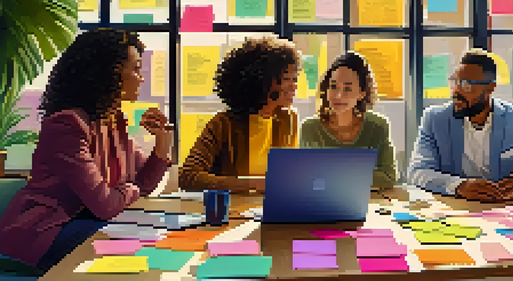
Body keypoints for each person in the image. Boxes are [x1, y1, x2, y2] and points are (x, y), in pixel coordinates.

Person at [0, 29, 172, 275]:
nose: (141, 78)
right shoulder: (67, 125)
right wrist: (131, 189)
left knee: (146, 240)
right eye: (135, 69)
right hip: (45, 231)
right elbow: (107, 204)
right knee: (135, 246)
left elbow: (144, 183)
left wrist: (163, 142)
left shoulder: (112, 121)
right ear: (108, 74)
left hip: (84, 222)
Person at [408, 49, 513, 202]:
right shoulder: (434, 118)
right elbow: (418, 171)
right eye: (454, 82)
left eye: (466, 85)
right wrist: (459, 186)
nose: (456, 90)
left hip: (500, 207)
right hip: (454, 207)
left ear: (490, 88)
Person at [179, 37, 300, 193]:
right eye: (286, 79)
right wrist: (253, 184)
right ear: (260, 81)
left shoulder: (288, 119)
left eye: (294, 78)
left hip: (271, 210)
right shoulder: (223, 123)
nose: (294, 86)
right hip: (232, 212)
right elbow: (188, 177)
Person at [299, 52, 397, 190]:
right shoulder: (310, 128)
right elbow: (305, 179)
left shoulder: (378, 126)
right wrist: (357, 176)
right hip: (322, 203)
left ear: (362, 94)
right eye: (333, 87)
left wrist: (332, 175)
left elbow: (388, 177)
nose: (338, 96)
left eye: (348, 89)